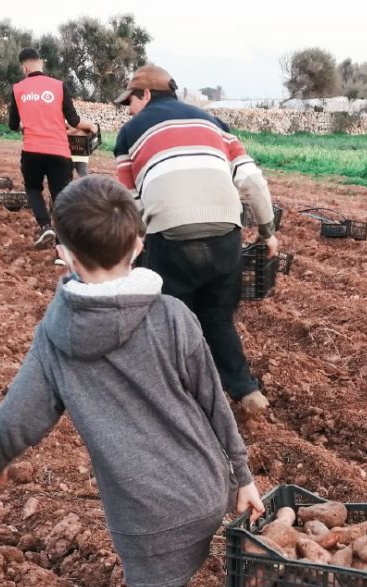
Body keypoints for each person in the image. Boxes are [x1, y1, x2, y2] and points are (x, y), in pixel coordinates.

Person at [0, 175, 265, 587]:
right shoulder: (175, 315)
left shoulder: (56, 337)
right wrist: (242, 475)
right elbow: (214, 401)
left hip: (146, 514)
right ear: (138, 246)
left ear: (63, 255)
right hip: (205, 486)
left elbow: (20, 416)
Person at [113, 65, 280, 417]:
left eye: (130, 100)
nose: (128, 109)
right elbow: (252, 182)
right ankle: (247, 392)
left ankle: (178, 402)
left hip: (170, 239)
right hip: (226, 234)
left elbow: (131, 202)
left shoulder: (128, 134)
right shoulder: (215, 125)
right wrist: (267, 232)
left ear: (145, 95)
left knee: (172, 322)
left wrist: (139, 246)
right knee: (218, 318)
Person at [8, 47, 98, 247]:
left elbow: (13, 125)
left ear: (24, 68)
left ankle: (45, 226)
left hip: (32, 150)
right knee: (60, 196)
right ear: (42, 62)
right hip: (59, 151)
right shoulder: (58, 86)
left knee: (33, 188)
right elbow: (74, 120)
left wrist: (26, 124)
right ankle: (61, 248)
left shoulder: (18, 89)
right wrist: (91, 126)